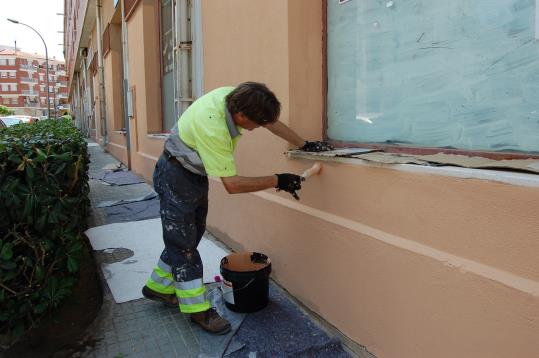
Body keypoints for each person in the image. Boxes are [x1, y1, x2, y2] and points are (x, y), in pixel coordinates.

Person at [141, 82, 333, 335]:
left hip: (190, 173)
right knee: (184, 246)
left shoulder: (234, 98)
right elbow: (232, 185)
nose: (258, 128)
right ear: (241, 116)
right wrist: (279, 180)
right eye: (256, 123)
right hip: (176, 175)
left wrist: (303, 143)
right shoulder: (214, 128)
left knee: (189, 236)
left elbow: (269, 121)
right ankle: (198, 310)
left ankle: (158, 287)